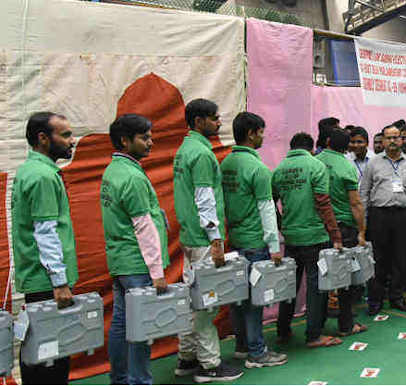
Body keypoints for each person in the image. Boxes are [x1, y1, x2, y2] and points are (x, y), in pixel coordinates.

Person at [173, 99, 243, 383]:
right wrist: (216, 240)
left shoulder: (184, 150)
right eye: (215, 119)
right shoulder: (201, 155)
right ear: (199, 121)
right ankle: (210, 365)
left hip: (190, 238)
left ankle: (186, 359)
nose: (219, 123)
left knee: (192, 302)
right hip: (203, 240)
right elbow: (205, 200)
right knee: (205, 305)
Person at [101, 114, 169, 384]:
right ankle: (140, 381)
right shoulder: (132, 177)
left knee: (121, 324)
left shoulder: (112, 171)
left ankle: (119, 379)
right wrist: (157, 272)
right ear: (125, 141)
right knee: (140, 327)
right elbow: (143, 227)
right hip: (138, 264)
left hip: (120, 262)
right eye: (144, 138)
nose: (150, 143)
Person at [12, 112, 78, 384]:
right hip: (47, 282)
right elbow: (46, 232)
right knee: (52, 358)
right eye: (65, 135)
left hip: (38, 278)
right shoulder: (42, 177)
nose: (72, 141)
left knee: (38, 352)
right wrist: (60, 282)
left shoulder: (29, 170)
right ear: (42, 138)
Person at [221, 112, 288, 367]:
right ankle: (257, 353)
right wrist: (274, 245)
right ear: (251, 134)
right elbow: (267, 209)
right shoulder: (258, 169)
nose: (263, 136)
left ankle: (241, 346)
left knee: (238, 299)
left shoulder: (225, 165)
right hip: (255, 243)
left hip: (236, 241)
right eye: (261, 132)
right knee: (255, 301)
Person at [273, 133, 345, 347]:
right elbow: (323, 202)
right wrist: (336, 234)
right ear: (312, 148)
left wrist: (281, 225)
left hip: (291, 236)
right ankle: (313, 335)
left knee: (289, 286)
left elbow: (269, 204)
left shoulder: (278, 170)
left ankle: (283, 331)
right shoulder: (315, 166)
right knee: (316, 286)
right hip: (315, 236)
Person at [360, 125, 406, 315]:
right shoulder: (373, 163)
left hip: (403, 216)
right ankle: (375, 300)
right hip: (379, 215)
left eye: (396, 137)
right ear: (383, 140)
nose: (392, 141)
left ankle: (397, 297)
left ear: (401, 140)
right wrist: (362, 224)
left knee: (401, 258)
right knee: (379, 260)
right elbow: (364, 194)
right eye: (388, 138)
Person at [316, 130, 369, 336]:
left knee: (320, 275)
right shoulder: (347, 166)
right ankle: (346, 325)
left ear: (327, 141)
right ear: (347, 147)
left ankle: (317, 326)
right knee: (345, 277)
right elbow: (355, 203)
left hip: (320, 227)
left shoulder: (315, 161)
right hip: (344, 227)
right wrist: (362, 231)